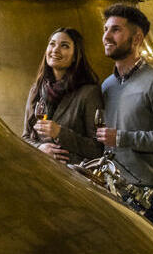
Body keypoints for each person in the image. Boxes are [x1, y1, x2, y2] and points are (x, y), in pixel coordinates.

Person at [95, 3, 153, 232]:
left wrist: (123, 138)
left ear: (136, 39)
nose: (106, 36)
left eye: (115, 30)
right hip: (112, 192)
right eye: (105, 29)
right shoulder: (108, 85)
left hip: (147, 199)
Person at [22, 27, 104, 164]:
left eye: (64, 46)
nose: (55, 50)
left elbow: (98, 149)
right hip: (40, 173)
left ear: (75, 56)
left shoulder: (89, 93)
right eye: (52, 44)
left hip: (74, 177)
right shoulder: (36, 89)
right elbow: (25, 137)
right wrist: (39, 148)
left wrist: (60, 133)